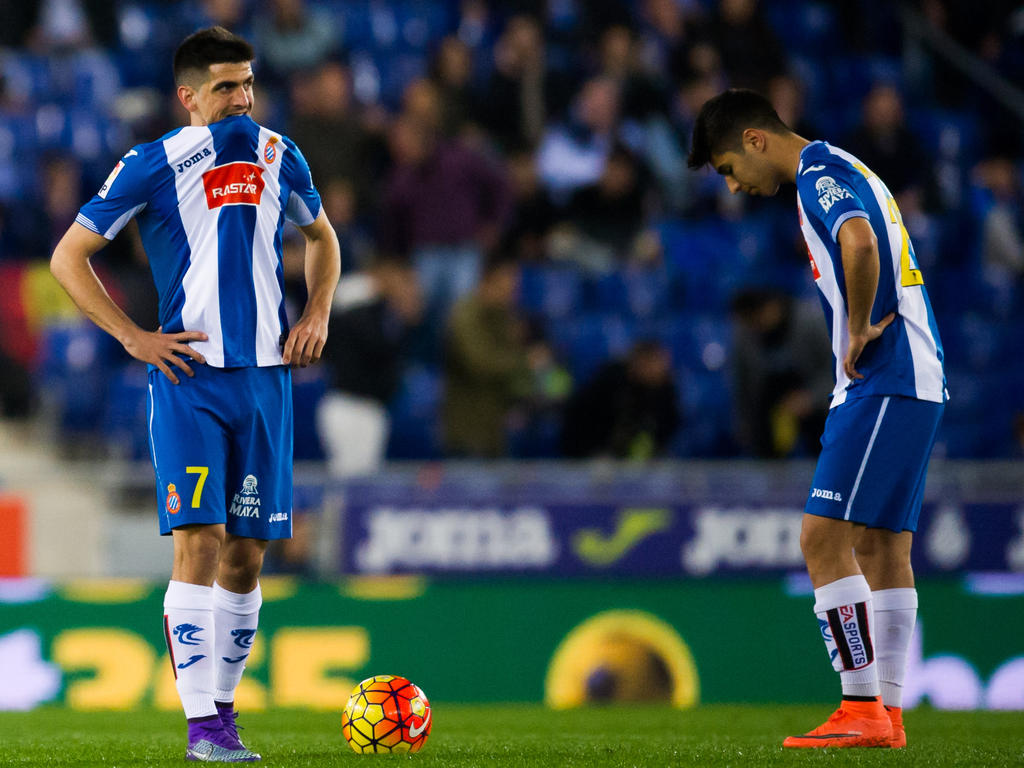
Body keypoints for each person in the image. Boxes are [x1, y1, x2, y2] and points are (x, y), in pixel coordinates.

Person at [49, 27, 341, 762]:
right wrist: (132, 337)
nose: (242, 98)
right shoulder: (152, 165)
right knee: (200, 544)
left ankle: (224, 713)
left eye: (248, 83)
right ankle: (202, 729)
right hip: (189, 381)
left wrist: (316, 312)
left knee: (246, 558)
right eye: (225, 88)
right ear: (189, 98)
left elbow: (324, 238)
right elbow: (68, 256)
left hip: (267, 382)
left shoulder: (280, 153)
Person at [689, 89, 946, 749]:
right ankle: (885, 716)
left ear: (754, 140)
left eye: (726, 168)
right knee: (882, 547)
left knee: (820, 538)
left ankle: (860, 705)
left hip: (884, 376)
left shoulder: (818, 177)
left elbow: (858, 243)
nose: (734, 185)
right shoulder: (839, 164)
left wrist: (857, 327)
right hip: (917, 373)